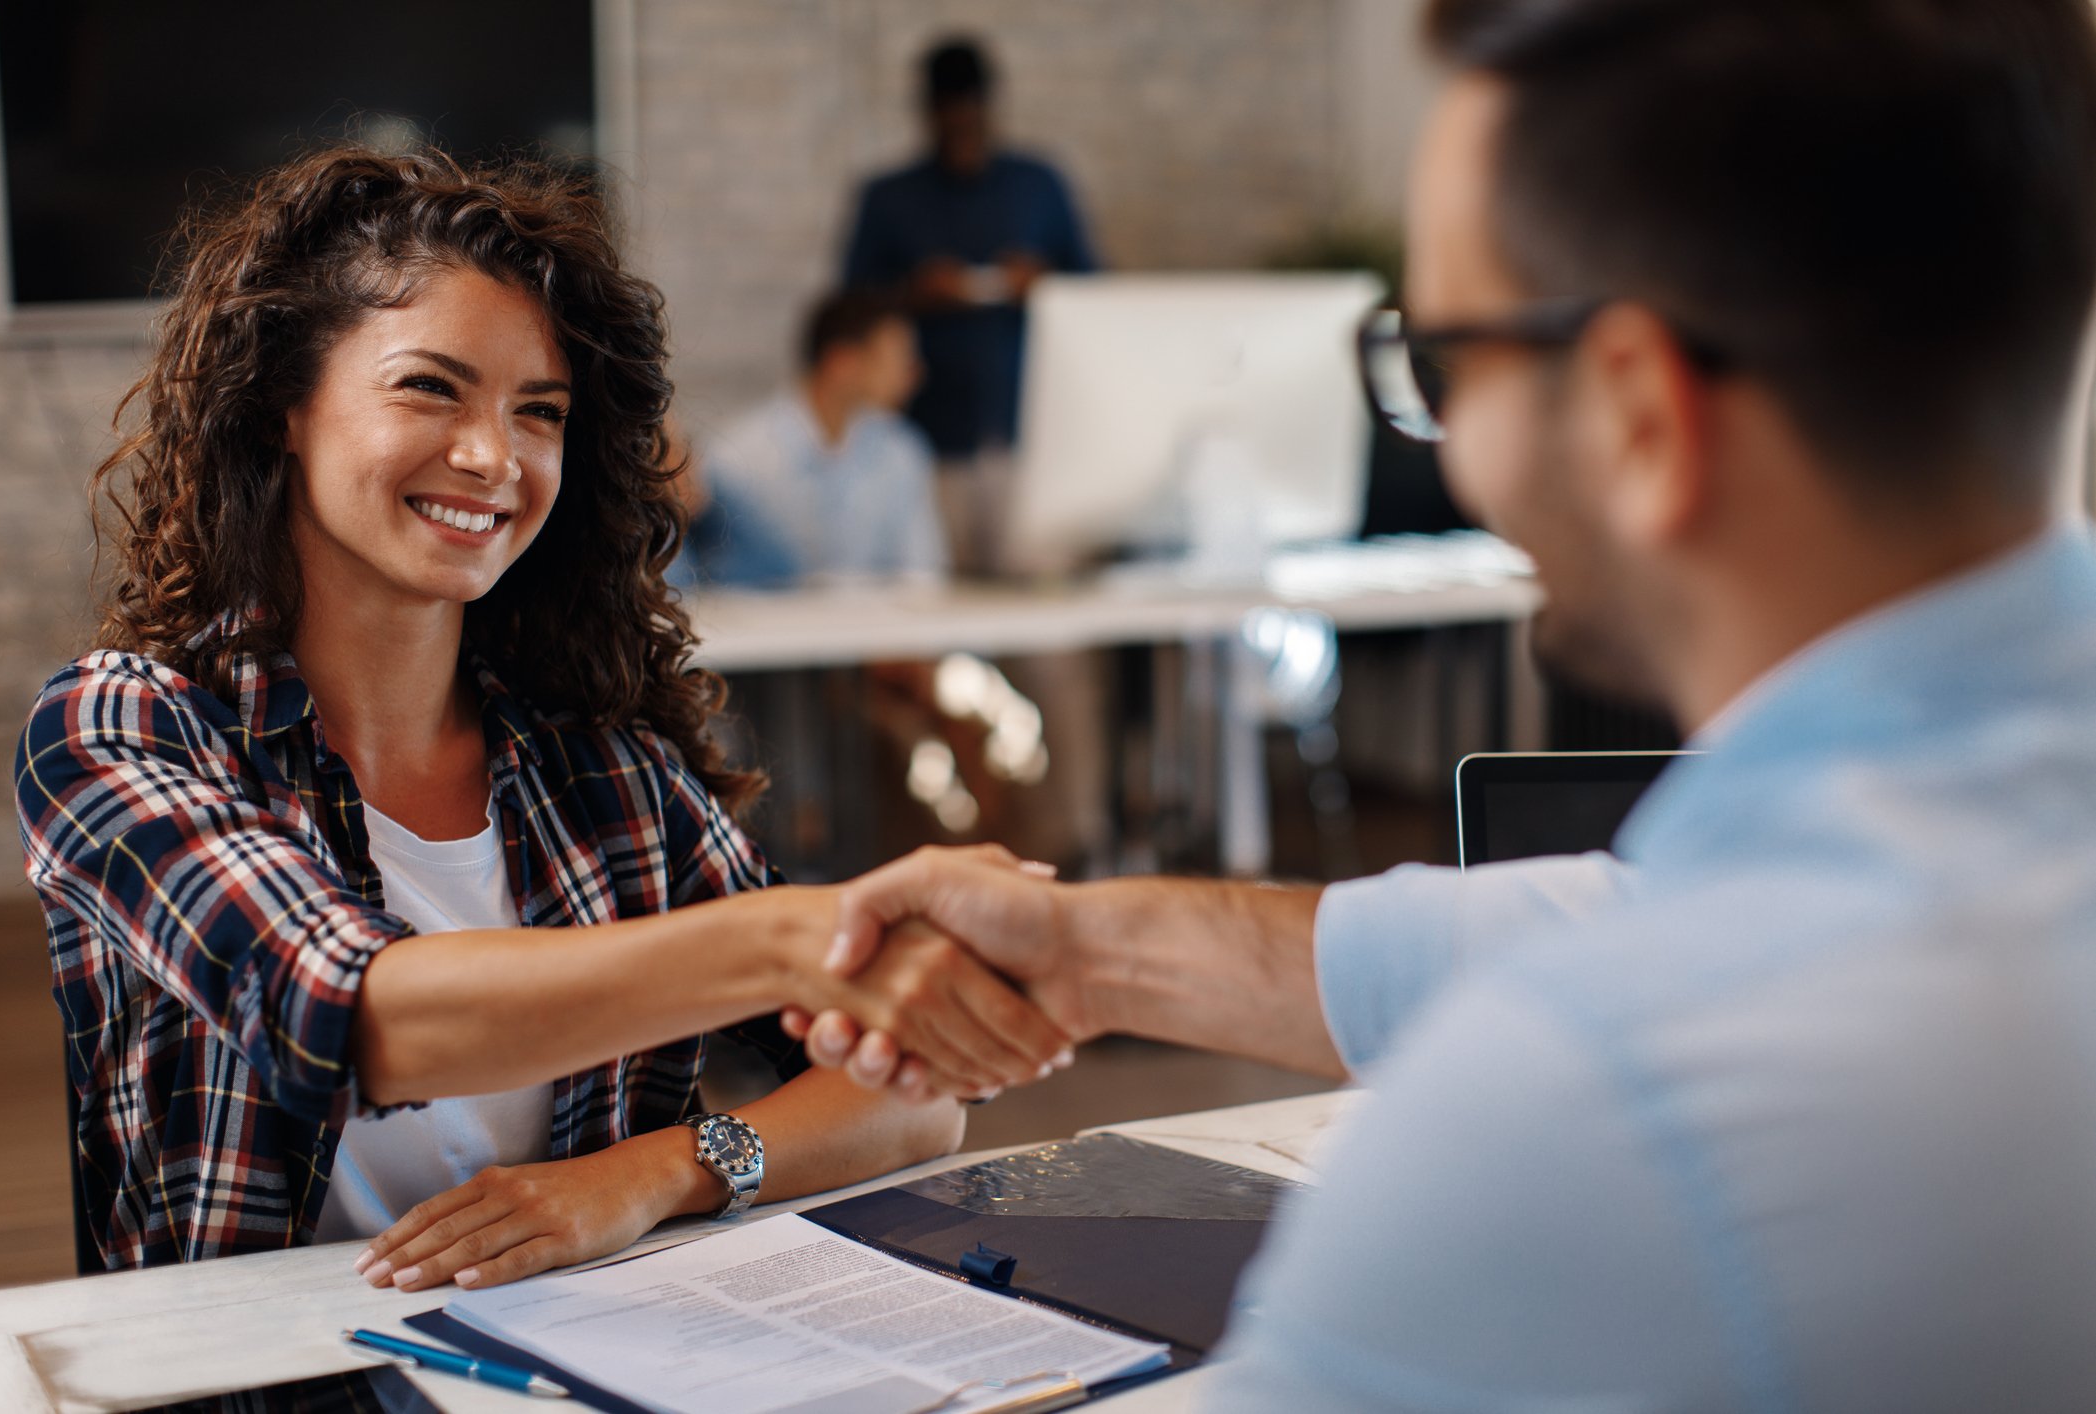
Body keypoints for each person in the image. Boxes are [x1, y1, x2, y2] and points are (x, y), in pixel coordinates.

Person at [789, 0, 2096, 1405]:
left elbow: (1606, 992)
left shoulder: (1580, 1112)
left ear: (1639, 415)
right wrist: (1085, 950)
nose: (1446, 436)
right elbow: (1582, 917)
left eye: (1445, 362)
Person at [13, 145, 1070, 1288]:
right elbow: (357, 1019)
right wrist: (798, 941)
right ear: (283, 405)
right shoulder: (119, 726)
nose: (493, 457)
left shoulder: (604, 768)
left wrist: (661, 1170)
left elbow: (914, 1102)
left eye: (540, 411)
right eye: (431, 386)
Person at [840, 34, 1098, 575]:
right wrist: (915, 292)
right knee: (938, 611)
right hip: (927, 442)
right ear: (928, 114)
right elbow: (847, 308)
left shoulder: (1038, 184)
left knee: (1046, 629)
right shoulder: (889, 198)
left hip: (1029, 436)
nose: (962, 132)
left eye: (971, 119)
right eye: (949, 120)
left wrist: (1043, 282)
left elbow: (1096, 289)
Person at [681, 289, 945, 588]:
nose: (913, 374)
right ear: (841, 362)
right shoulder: (737, 456)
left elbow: (921, 575)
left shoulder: (902, 451)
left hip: (880, 629)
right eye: (899, 358)